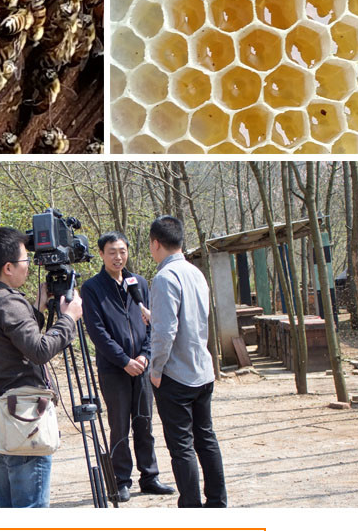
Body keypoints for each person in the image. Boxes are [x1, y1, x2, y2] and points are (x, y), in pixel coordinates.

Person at [0, 225, 82, 507]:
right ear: (8, 267)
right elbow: (39, 351)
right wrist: (69, 319)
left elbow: (11, 341)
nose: (30, 266)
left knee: (5, 509)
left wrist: (37, 308)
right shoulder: (8, 303)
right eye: (25, 260)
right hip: (23, 419)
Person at [81, 232, 175, 503]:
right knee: (119, 425)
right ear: (101, 254)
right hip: (114, 369)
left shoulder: (139, 283)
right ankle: (121, 480)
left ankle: (150, 476)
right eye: (111, 252)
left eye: (122, 251)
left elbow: (150, 323)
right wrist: (124, 360)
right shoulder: (92, 288)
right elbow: (97, 332)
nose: (118, 257)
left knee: (144, 423)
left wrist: (145, 355)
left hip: (142, 367)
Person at [148, 215, 227, 508]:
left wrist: (156, 369)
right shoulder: (195, 272)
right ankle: (217, 503)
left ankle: (192, 508)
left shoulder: (165, 277)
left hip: (176, 375)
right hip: (202, 370)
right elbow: (191, 319)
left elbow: (166, 332)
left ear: (156, 244)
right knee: (206, 439)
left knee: (182, 446)